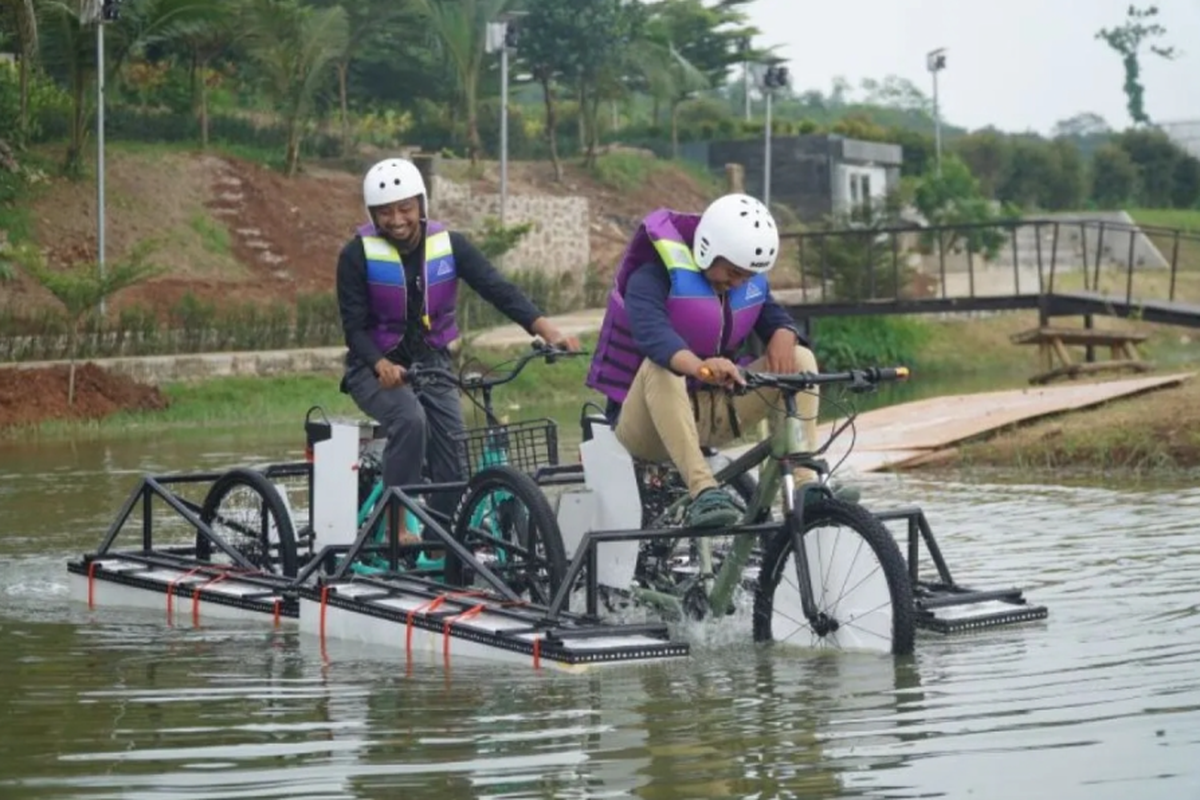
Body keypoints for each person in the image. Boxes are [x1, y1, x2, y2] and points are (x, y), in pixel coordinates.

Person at [337, 157, 580, 543]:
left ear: (421, 205)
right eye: (385, 213)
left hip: (432, 362)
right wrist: (380, 363)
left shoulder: (450, 246)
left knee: (452, 444)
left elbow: (497, 288)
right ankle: (397, 526)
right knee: (410, 420)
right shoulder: (356, 256)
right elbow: (353, 329)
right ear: (372, 214)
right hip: (373, 368)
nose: (396, 220)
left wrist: (546, 329)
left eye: (405, 209)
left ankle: (441, 544)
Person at [585, 193, 836, 529]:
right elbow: (654, 336)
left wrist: (784, 332)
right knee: (663, 366)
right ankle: (704, 491)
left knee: (802, 358)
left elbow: (773, 315)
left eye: (747, 277)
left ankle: (805, 484)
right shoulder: (650, 277)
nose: (738, 283)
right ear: (707, 248)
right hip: (644, 426)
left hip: (709, 415)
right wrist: (702, 367)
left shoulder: (741, 281)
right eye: (733, 273)